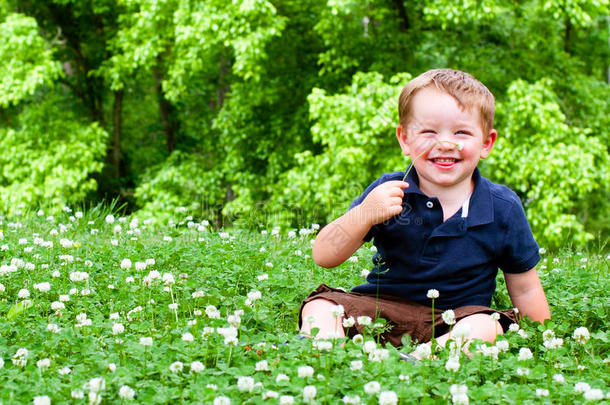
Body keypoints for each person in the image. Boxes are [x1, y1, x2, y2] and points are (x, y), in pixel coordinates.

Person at [299, 68, 550, 355]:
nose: (444, 143)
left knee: (487, 326)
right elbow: (324, 256)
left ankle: (423, 359)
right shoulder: (389, 190)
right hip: (381, 311)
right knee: (321, 306)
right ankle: (322, 349)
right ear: (405, 139)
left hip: (455, 319)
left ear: (486, 143)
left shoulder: (502, 207)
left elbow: (526, 288)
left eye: (462, 132)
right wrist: (365, 213)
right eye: (429, 131)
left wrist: (546, 340)